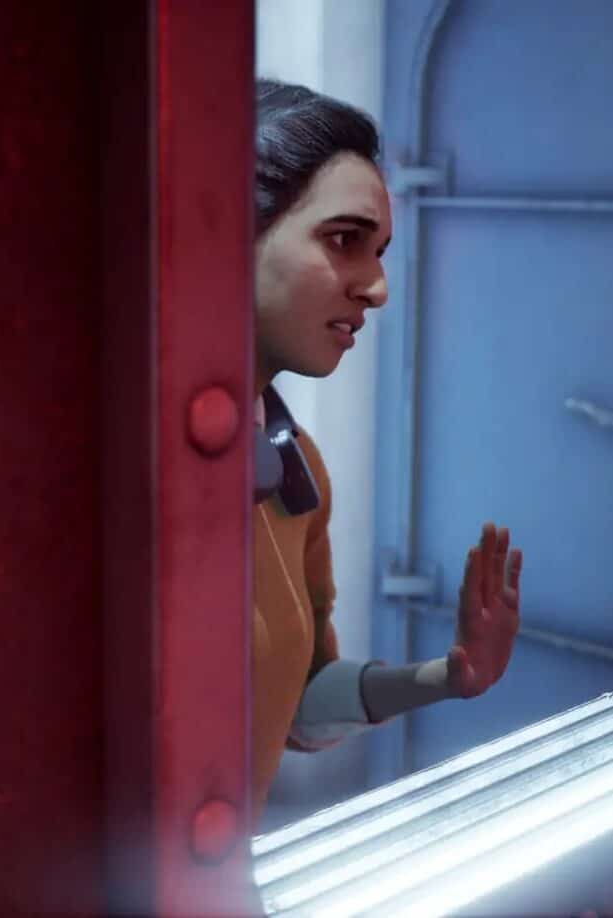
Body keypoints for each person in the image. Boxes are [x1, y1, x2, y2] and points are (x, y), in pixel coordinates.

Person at [250, 79, 524, 827]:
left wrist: (447, 677)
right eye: (344, 240)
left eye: (378, 253)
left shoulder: (295, 472)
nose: (376, 289)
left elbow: (297, 707)